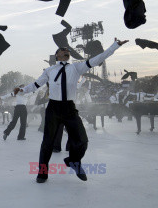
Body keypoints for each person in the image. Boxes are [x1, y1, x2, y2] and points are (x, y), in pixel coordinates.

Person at [16, 38, 128, 183]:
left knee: (82, 140)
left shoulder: (76, 67)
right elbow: (36, 85)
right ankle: (42, 173)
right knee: (47, 143)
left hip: (69, 108)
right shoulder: (50, 70)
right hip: (53, 108)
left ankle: (73, 161)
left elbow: (97, 59)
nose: (67, 51)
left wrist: (115, 46)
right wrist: (22, 90)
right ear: (57, 55)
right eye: (63, 50)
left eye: (68, 50)